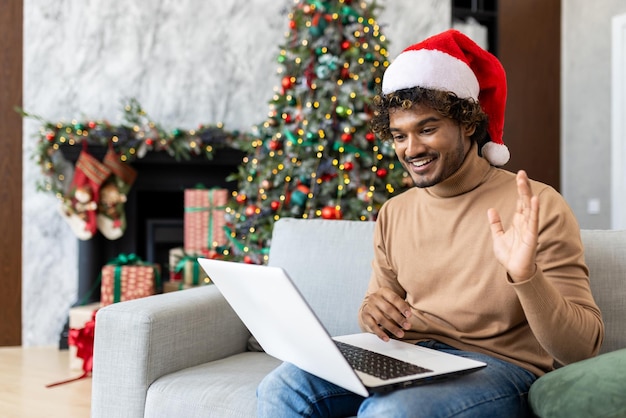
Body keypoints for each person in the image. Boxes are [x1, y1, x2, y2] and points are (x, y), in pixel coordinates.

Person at [257, 29, 604, 417]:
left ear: (467, 124)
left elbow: (582, 348)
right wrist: (372, 312)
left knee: (393, 412)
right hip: (410, 358)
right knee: (283, 386)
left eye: (427, 129)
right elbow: (379, 302)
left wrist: (526, 275)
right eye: (399, 135)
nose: (412, 149)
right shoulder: (395, 212)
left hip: (500, 370)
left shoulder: (537, 204)